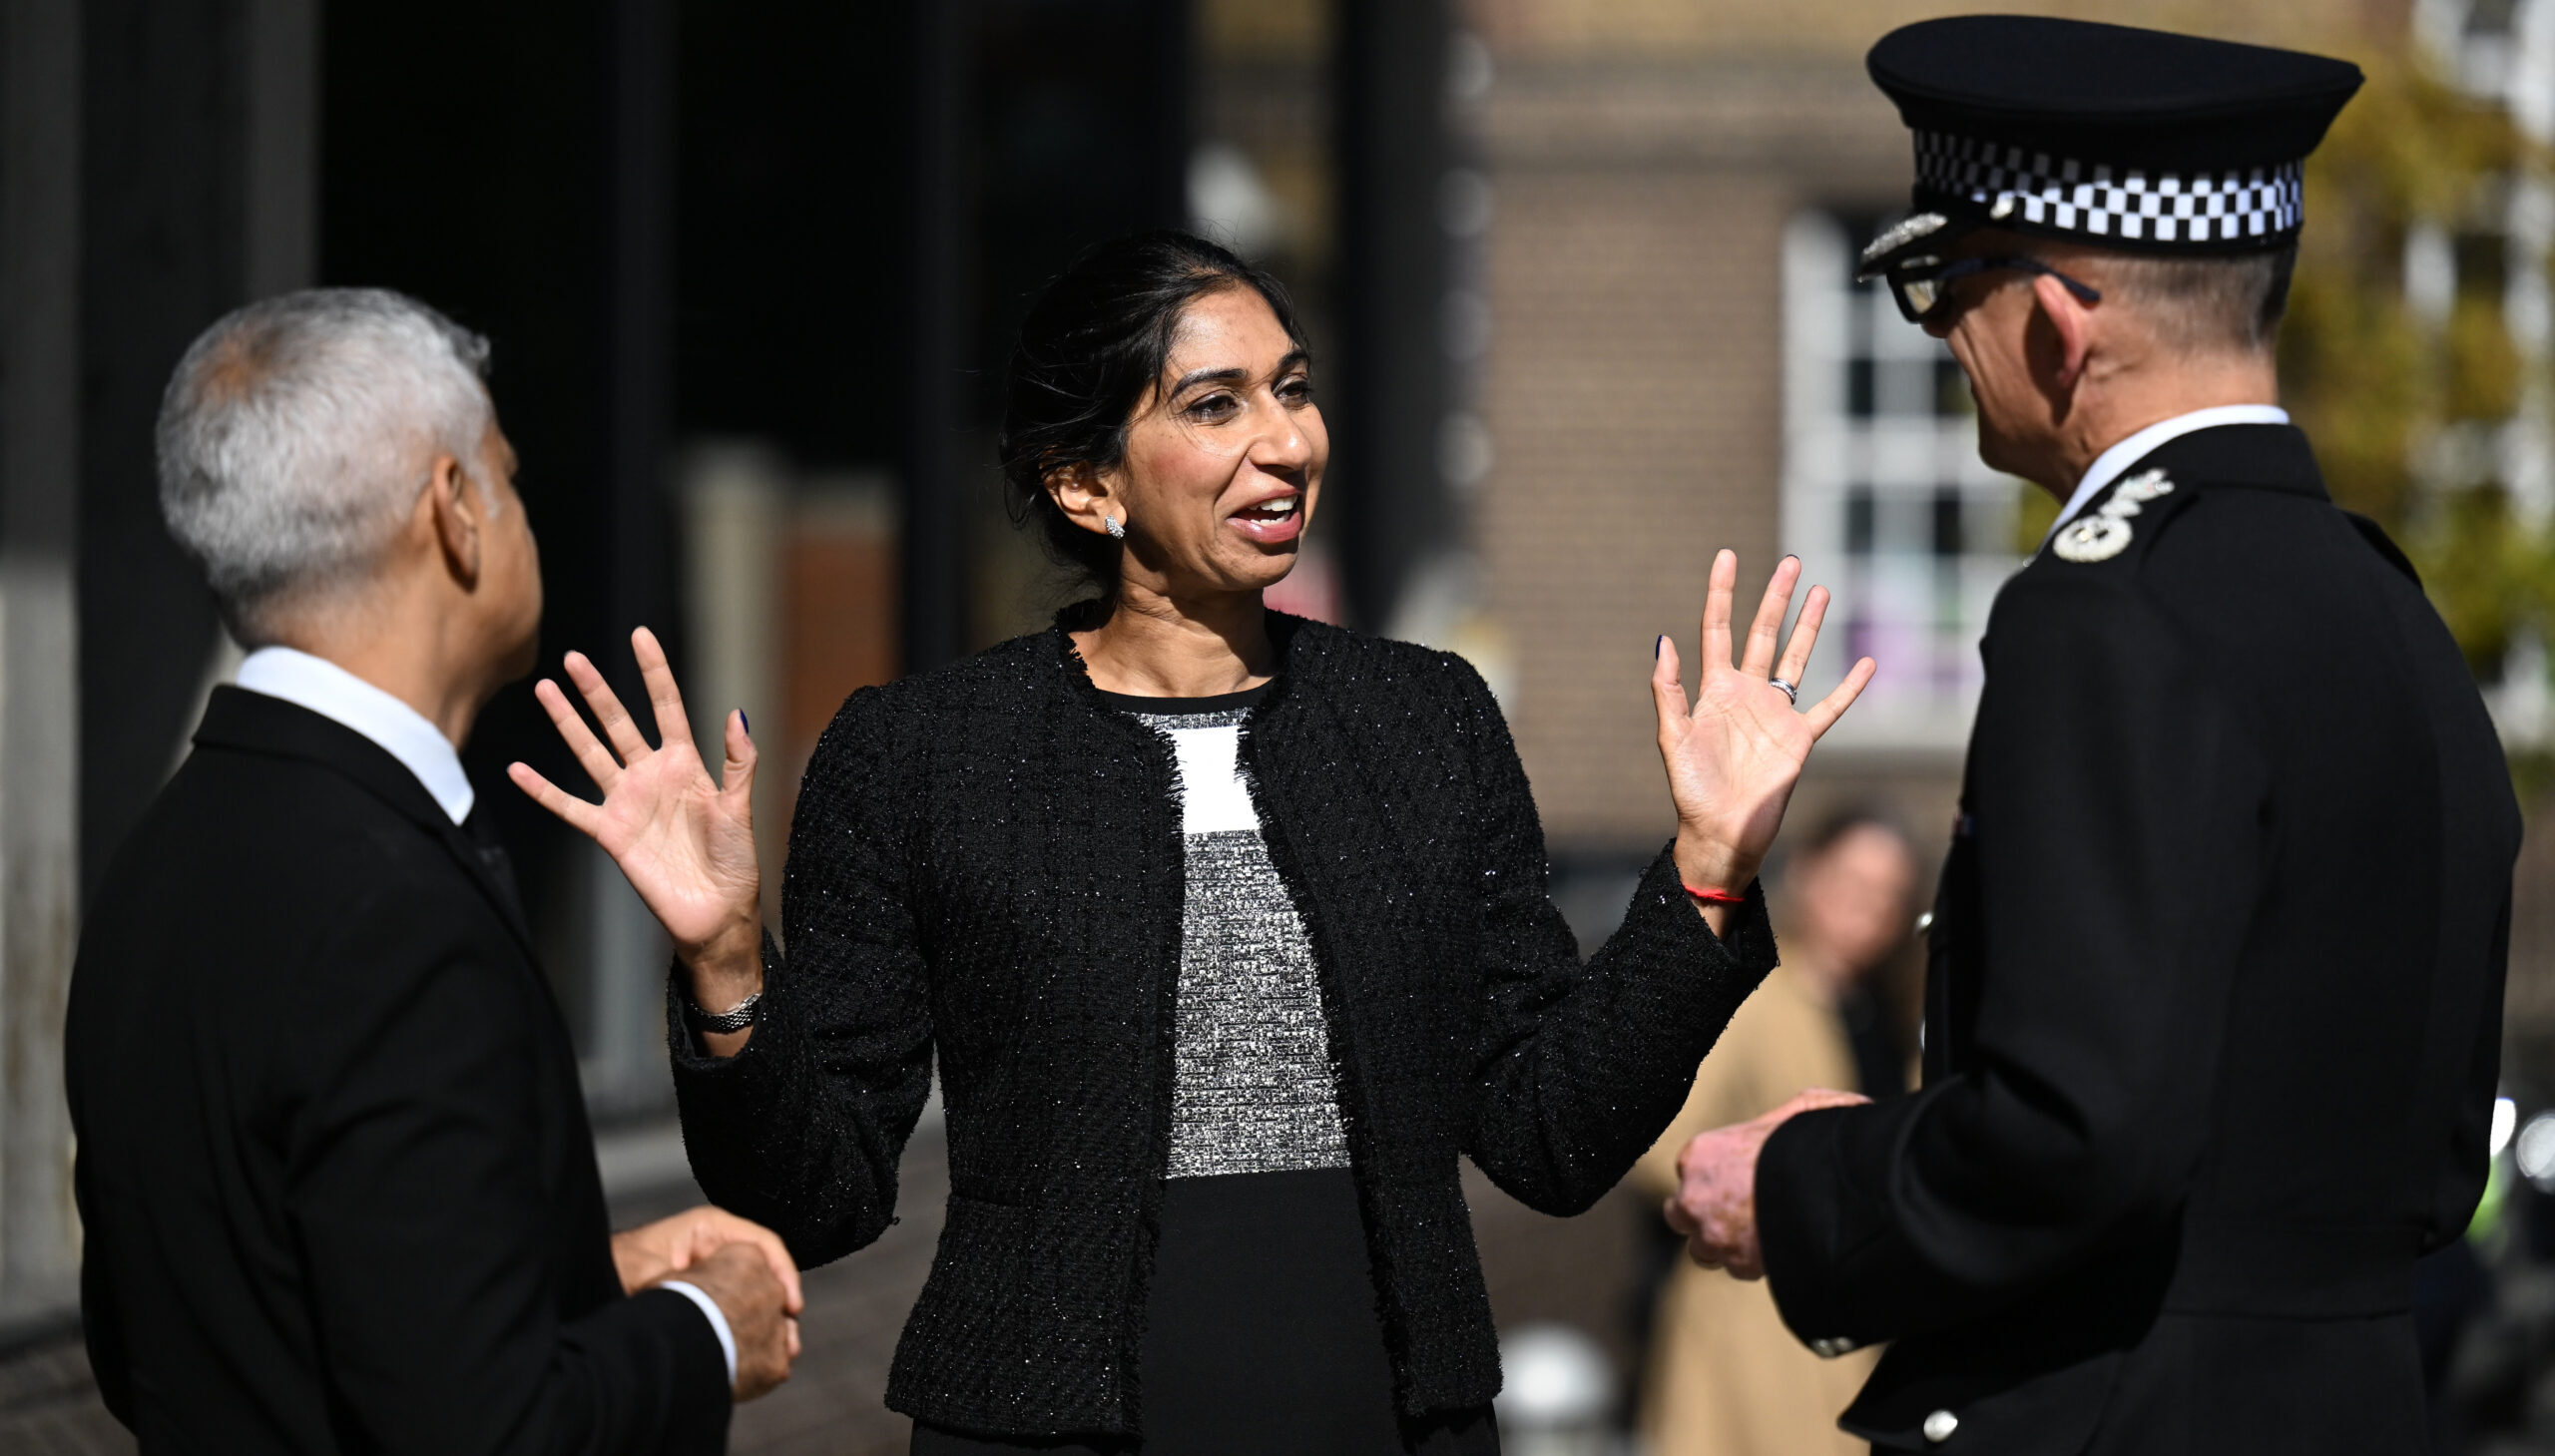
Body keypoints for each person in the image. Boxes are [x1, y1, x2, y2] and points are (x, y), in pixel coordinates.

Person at [507, 231, 1874, 1454]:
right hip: (1045, 1424)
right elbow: (819, 1190)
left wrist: (1708, 868)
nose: (1286, 441)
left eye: (1292, 386)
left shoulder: (1419, 719)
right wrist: (728, 965)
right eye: (1213, 406)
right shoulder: (926, 753)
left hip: (1384, 1410)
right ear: (1087, 485)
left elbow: (1549, 1131)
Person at [1664, 17, 2523, 1454]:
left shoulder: (2112, 611)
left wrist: (1810, 1175)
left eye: (1951, 285)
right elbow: (2429, 1154)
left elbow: (2079, 1130)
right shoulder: (2391, 610)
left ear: (2059, 320)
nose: (1945, 335)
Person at [66, 288, 804, 1454]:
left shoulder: (158, 863)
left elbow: (173, 1327)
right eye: (505, 478)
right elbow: (487, 1428)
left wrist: (576, 1275)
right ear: (455, 511)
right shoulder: (393, 910)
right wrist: (706, 1327)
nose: (520, 513)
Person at [1630, 812, 1917, 1456]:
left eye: (1887, 895)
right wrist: (1765, 1184)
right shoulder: (1754, 996)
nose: (1867, 909)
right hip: (1751, 1314)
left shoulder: (1890, 1014)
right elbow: (1658, 1145)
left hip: (1852, 1316)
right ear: (1808, 874)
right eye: (1851, 883)